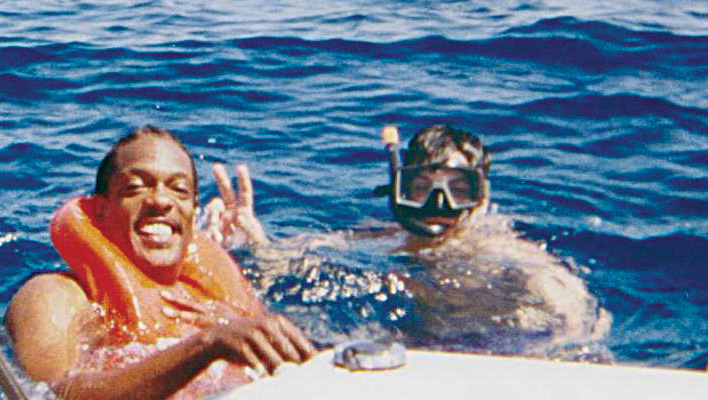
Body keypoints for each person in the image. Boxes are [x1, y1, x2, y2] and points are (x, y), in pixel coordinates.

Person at [205, 124, 610, 352]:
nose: (439, 204)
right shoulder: (382, 239)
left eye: (459, 189)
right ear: (398, 192)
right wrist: (252, 243)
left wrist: (568, 337)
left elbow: (568, 301)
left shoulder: (503, 253)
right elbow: (288, 260)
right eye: (421, 188)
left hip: (498, 350)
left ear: (481, 199)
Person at [4, 126, 316, 400]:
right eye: (136, 187)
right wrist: (205, 346)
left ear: (193, 215)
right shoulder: (52, 296)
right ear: (101, 211)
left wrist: (263, 256)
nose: (160, 201)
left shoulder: (214, 301)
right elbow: (52, 399)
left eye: (179, 190)